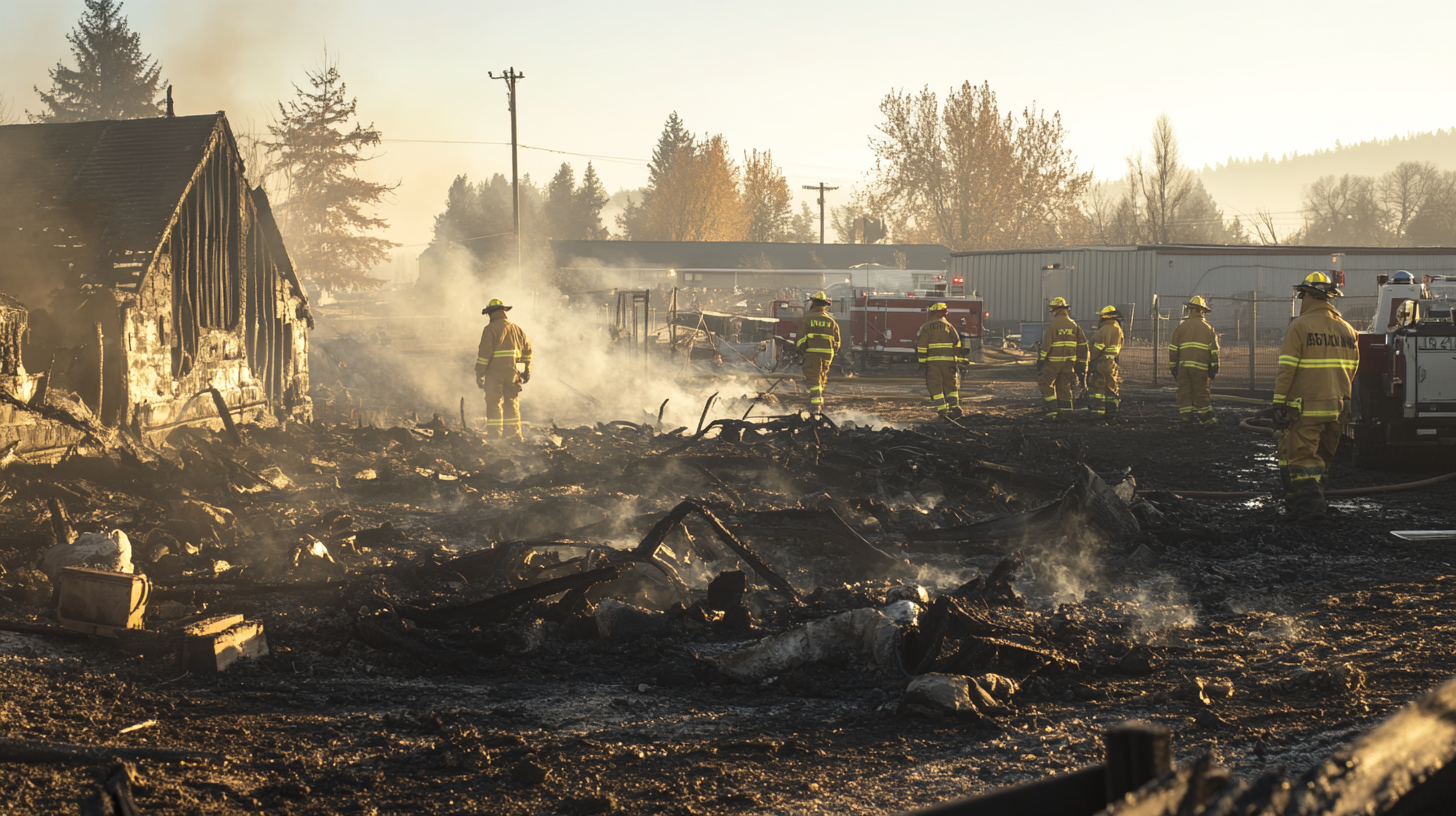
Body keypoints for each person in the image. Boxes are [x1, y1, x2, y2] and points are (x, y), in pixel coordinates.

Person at [1272, 272, 1359, 521]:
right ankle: (1299, 504)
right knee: (1321, 458)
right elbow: (1352, 368)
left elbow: (1287, 368)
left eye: (1302, 295)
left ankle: (1310, 511)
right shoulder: (1347, 329)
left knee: (1302, 457)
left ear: (1308, 295)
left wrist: (1278, 402)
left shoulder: (1300, 326)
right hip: (1336, 407)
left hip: (1306, 408)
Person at [475, 298, 532, 440]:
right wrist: (526, 370)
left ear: (491, 313)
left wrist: (479, 373)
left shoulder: (489, 329)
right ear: (503, 312)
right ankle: (513, 435)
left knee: (494, 404)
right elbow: (528, 351)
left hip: (494, 374)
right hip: (513, 373)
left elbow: (484, 355)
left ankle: (495, 435)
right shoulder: (516, 329)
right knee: (511, 402)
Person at [1168, 296, 1220, 426]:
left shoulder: (1181, 328)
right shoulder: (1208, 329)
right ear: (1202, 311)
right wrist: (1214, 367)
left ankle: (1186, 419)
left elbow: (1173, 349)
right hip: (1200, 368)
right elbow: (1214, 351)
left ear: (1189, 310)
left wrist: (1173, 366)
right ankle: (1208, 420)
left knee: (1184, 393)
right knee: (1201, 393)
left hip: (1183, 368)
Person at [1037, 297, 1087, 420]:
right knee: (1064, 386)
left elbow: (1046, 344)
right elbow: (1083, 345)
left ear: (1054, 310)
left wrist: (1041, 359)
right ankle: (1066, 412)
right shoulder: (1074, 325)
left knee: (1046, 384)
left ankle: (1052, 412)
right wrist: (1081, 362)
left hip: (1053, 362)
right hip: (1069, 362)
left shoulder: (1052, 326)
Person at [916, 302, 964, 419]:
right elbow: (957, 343)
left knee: (935, 384)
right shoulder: (950, 327)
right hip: (949, 362)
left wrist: (922, 361)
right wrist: (958, 360)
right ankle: (954, 406)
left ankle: (942, 409)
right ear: (945, 313)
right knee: (951, 384)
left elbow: (922, 345)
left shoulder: (926, 327)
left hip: (933, 363)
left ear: (932, 313)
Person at [795, 291, 840, 413]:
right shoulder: (831, 321)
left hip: (812, 353)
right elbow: (837, 342)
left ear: (813, 303)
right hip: (827, 355)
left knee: (813, 378)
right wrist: (831, 352)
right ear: (824, 305)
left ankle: (815, 407)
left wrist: (800, 350)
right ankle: (816, 401)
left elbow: (801, 337)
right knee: (821, 377)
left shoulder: (808, 317)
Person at [1088, 306, 1124, 421]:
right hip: (1112, 363)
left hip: (1101, 363)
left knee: (1098, 387)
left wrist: (1090, 360)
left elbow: (1097, 349)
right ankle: (1111, 411)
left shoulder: (1104, 330)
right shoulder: (1118, 328)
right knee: (1111, 387)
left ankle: (1097, 412)